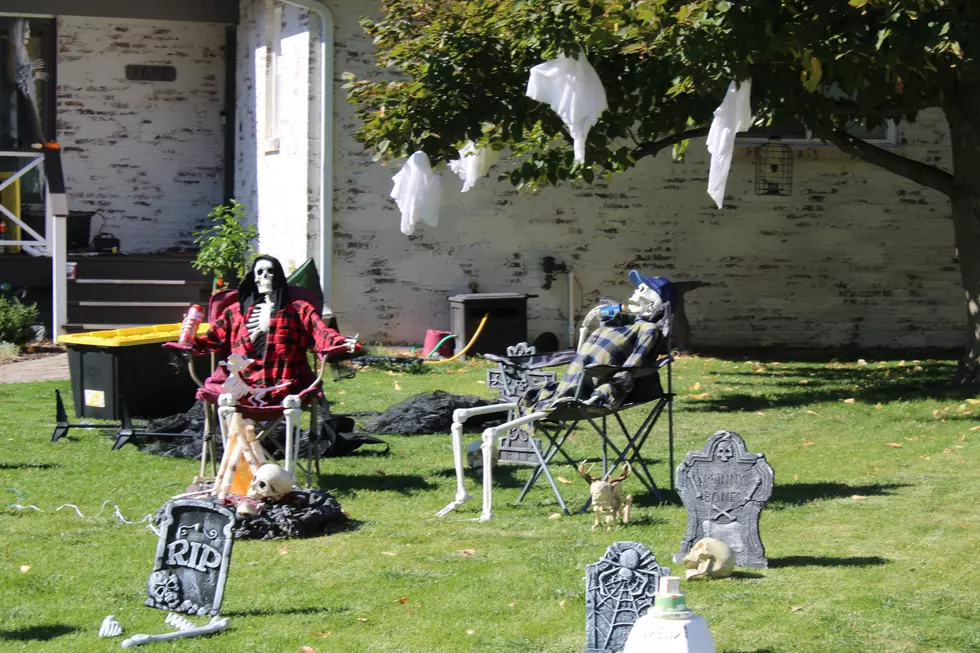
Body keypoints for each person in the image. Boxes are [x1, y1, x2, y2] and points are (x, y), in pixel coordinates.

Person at [168, 255, 359, 405]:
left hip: (285, 384)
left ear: (279, 277)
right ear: (254, 278)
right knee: (225, 400)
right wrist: (187, 341)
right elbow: (209, 340)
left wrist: (341, 342)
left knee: (290, 400)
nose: (265, 276)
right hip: (240, 385)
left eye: (270, 271)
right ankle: (235, 447)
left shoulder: (299, 309)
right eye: (260, 272)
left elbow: (322, 333)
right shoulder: (234, 312)